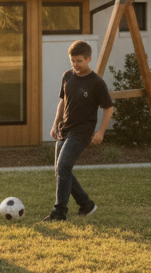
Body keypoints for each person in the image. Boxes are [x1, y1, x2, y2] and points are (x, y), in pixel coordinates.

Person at [45, 40, 114, 221]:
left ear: (89, 59)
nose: (75, 65)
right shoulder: (67, 76)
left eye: (79, 61)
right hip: (64, 129)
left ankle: (59, 212)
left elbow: (109, 108)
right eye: (72, 61)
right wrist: (55, 124)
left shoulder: (96, 83)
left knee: (63, 166)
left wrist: (101, 131)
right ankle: (86, 204)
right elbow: (62, 102)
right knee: (60, 169)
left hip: (82, 131)